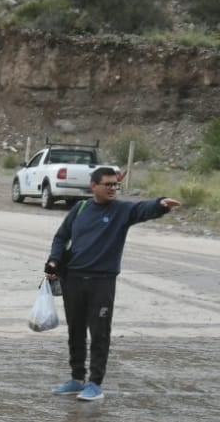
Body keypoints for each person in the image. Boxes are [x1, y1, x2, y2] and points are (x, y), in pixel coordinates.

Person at [45, 168, 181, 402]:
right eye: (107, 184)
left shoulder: (122, 210)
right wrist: (54, 259)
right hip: (74, 279)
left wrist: (161, 204)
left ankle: (95, 383)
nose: (112, 189)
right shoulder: (81, 208)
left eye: (115, 185)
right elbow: (61, 236)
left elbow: (142, 209)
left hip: (102, 281)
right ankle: (76, 378)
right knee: (75, 330)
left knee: (99, 333)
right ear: (93, 186)